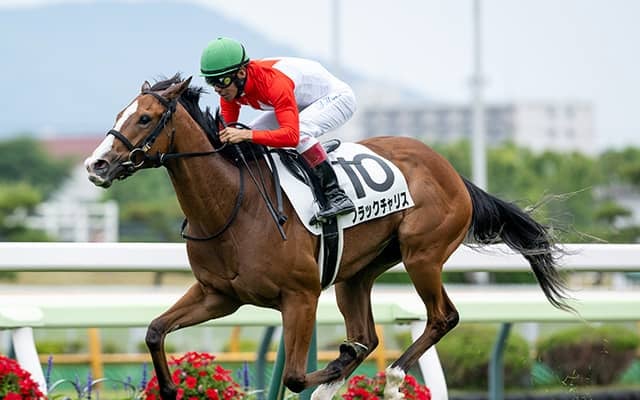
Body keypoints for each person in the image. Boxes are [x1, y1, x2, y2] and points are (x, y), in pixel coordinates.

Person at [200, 37, 356, 223]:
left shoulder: (273, 83)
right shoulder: (229, 89)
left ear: (241, 73)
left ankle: (336, 195)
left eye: (221, 81)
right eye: (211, 82)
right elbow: (227, 132)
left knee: (300, 133)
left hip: (336, 97)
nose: (218, 89)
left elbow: (291, 136)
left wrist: (246, 135)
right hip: (298, 101)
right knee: (248, 135)